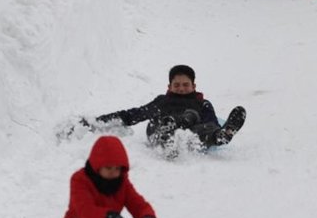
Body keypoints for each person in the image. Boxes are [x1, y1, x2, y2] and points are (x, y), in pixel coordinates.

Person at [82, 65, 246, 152]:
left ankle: (222, 136)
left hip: (191, 133)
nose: (181, 88)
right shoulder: (163, 101)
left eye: (185, 85)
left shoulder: (202, 103)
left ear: (194, 86)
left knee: (201, 124)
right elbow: (133, 115)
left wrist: (216, 131)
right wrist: (94, 122)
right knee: (162, 123)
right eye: (177, 85)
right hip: (161, 129)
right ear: (169, 86)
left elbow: (211, 122)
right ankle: (168, 136)